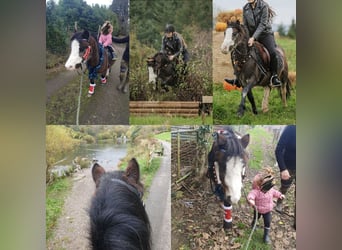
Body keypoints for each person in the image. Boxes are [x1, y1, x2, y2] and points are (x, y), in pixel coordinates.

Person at [225, 0, 282, 87]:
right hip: (251, 34)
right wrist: (246, 36)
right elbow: (246, 25)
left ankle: (274, 77)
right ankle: (238, 78)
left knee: (272, 52)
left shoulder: (264, 6)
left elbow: (262, 24)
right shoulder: (246, 8)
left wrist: (253, 38)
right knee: (236, 50)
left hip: (265, 34)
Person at [247, 167, 285, 244]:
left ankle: (266, 235)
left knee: (267, 222)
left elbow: (275, 192)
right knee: (256, 218)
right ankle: (253, 225)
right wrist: (251, 200)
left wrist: (280, 195)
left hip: (267, 210)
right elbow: (251, 195)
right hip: (258, 209)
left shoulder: (270, 190)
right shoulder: (256, 191)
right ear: (259, 185)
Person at [275, 125, 296, 229]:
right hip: (289, 167)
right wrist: (283, 168)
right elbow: (278, 150)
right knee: (284, 188)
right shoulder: (291, 128)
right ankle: (279, 201)